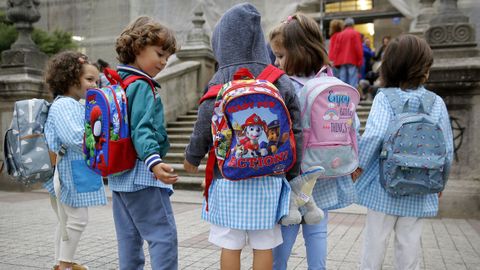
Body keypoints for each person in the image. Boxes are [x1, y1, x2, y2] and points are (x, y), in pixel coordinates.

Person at [183, 3, 302, 270]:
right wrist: (293, 169)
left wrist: (192, 156)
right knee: (265, 243)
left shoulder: (220, 78)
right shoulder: (279, 79)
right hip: (270, 176)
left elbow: (204, 123)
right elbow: (295, 127)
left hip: (229, 178)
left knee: (230, 243)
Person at [352, 35, 454, 270]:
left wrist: (358, 165)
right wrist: (441, 181)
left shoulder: (385, 99)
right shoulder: (436, 102)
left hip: (384, 186)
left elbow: (375, 136)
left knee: (374, 243)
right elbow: (446, 149)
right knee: (409, 245)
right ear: (424, 69)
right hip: (421, 185)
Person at [269, 13, 358, 270]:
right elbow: (353, 124)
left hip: (294, 173)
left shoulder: (286, 87)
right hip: (326, 170)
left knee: (286, 230)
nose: (276, 61)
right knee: (317, 230)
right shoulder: (330, 82)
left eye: (281, 55)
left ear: (299, 51)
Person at [107, 16, 179, 270]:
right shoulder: (141, 86)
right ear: (138, 48)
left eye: (167, 58)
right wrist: (154, 162)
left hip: (118, 176)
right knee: (163, 237)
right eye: (160, 54)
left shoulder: (116, 82)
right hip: (141, 174)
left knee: (128, 238)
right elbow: (142, 129)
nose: (163, 62)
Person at [44, 51, 106, 270]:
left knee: (65, 221)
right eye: (89, 80)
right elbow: (74, 137)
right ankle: (64, 264)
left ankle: (61, 262)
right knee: (77, 219)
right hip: (66, 172)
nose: (94, 85)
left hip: (68, 171)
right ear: (69, 79)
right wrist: (102, 137)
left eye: (96, 81)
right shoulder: (64, 106)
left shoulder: (73, 104)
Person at [332, 17, 363, 87]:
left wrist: (335, 61)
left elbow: (336, 49)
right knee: (353, 81)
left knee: (342, 81)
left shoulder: (340, 35)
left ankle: (343, 96)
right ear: (352, 24)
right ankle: (353, 97)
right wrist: (360, 61)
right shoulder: (356, 33)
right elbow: (358, 48)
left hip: (341, 61)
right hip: (352, 60)